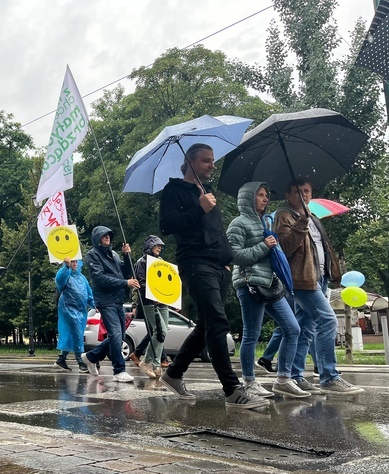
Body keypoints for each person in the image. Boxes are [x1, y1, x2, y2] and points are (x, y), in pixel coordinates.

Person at [158, 143, 267, 409]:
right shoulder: (174, 190)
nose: (212, 166)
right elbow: (167, 225)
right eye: (206, 161)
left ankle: (173, 373)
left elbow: (217, 230)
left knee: (207, 325)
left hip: (219, 265)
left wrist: (228, 261)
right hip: (195, 262)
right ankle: (232, 390)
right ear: (190, 161)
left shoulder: (207, 192)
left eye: (212, 160)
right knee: (218, 323)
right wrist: (199, 209)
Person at [274, 178, 363, 395]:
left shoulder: (313, 217)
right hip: (301, 279)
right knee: (328, 320)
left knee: (306, 328)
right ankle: (329, 377)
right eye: (297, 191)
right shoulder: (284, 215)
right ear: (288, 195)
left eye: (306, 191)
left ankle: (295, 376)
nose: (303, 195)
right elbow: (284, 248)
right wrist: (300, 224)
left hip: (318, 278)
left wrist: (331, 271)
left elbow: (322, 248)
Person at [226, 182, 308, 398]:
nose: (265, 199)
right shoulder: (238, 223)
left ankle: (283, 379)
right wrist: (265, 245)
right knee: (251, 334)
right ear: (247, 198)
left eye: (266, 195)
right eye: (260, 195)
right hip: (249, 284)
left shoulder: (265, 222)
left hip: (270, 283)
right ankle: (249, 382)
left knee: (293, 328)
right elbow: (234, 256)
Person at [80, 225, 138, 383]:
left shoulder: (113, 254)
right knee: (116, 334)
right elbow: (99, 278)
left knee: (120, 335)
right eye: (104, 236)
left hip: (117, 299)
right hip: (106, 300)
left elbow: (126, 272)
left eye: (109, 236)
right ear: (97, 238)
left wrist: (126, 256)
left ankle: (91, 357)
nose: (107, 238)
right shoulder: (93, 255)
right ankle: (119, 370)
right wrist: (125, 283)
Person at [132, 235, 169, 380]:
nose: (160, 248)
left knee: (162, 333)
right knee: (160, 331)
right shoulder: (141, 263)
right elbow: (141, 283)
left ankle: (155, 363)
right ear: (150, 246)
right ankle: (148, 362)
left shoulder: (161, 262)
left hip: (163, 302)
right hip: (149, 302)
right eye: (157, 245)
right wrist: (154, 296)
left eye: (161, 246)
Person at [54, 257, 95, 373]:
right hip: (68, 308)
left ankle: (61, 359)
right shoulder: (65, 274)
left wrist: (94, 304)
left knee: (73, 334)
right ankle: (81, 362)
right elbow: (59, 280)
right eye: (72, 261)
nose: (74, 264)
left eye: (76, 261)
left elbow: (88, 292)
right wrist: (66, 267)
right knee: (77, 333)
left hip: (81, 311)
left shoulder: (82, 278)